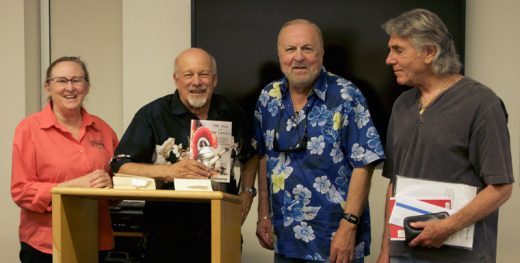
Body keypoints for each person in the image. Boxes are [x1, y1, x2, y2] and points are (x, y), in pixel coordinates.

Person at [377, 8, 514, 263]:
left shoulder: (482, 104)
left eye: (398, 50)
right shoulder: (402, 104)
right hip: (403, 255)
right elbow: (394, 183)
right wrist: (386, 250)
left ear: (429, 52)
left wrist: (447, 226)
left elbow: (501, 188)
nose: (389, 59)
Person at [254, 19, 385, 263]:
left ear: (321, 53)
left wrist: (349, 227)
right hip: (286, 241)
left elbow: (364, 163)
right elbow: (264, 156)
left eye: (307, 48)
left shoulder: (347, 95)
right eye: (290, 49)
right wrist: (263, 214)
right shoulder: (268, 97)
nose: (298, 57)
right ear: (280, 55)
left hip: (335, 240)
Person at [110, 47, 257, 262]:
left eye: (203, 74)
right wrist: (168, 172)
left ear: (214, 79)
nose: (196, 81)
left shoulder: (232, 112)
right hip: (166, 235)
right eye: (188, 74)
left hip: (221, 230)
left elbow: (251, 154)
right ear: (176, 80)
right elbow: (120, 165)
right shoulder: (153, 114)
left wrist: (246, 192)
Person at [11, 56, 118, 263]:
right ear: (48, 88)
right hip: (45, 245)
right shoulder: (29, 129)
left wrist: (111, 184)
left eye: (76, 80)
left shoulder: (103, 129)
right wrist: (69, 187)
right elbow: (21, 191)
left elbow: (118, 185)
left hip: (96, 241)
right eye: (61, 81)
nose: (70, 87)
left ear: (86, 87)